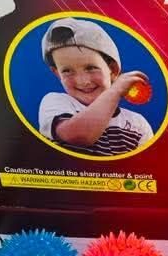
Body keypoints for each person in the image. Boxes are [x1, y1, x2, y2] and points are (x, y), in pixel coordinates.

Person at [38, 17, 153, 156]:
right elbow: (79, 135)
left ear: (113, 70)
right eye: (67, 71)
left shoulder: (137, 124)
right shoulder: (56, 103)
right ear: (57, 74)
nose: (83, 81)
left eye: (91, 68)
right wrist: (115, 91)